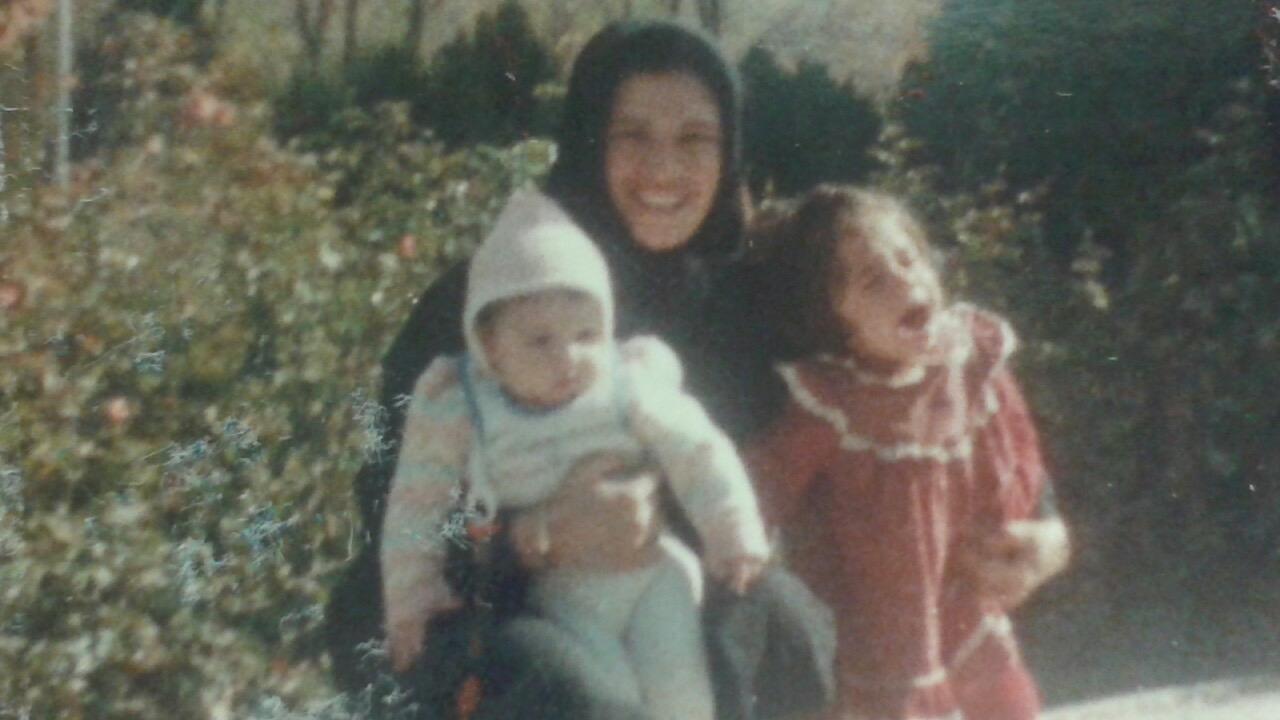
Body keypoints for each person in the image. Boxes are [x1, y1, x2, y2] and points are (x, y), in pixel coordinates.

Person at [324, 20, 836, 720]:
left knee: (784, 622)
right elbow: (391, 497)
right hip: (476, 614)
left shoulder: (736, 306)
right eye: (633, 136)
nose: (664, 169)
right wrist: (534, 535)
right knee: (570, 691)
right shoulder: (487, 301)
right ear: (589, 140)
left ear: (730, 154)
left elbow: (873, 374)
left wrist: (1037, 520)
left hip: (648, 595)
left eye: (695, 140)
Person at [380, 188, 770, 720]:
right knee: (608, 701)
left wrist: (731, 530)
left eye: (586, 334)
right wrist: (413, 595)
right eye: (539, 341)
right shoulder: (462, 406)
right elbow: (415, 503)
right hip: (562, 599)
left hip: (655, 577)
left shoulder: (628, 383)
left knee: (683, 700)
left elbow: (698, 450)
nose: (568, 358)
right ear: (489, 344)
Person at [745, 185, 1071, 720]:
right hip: (883, 632)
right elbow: (764, 484)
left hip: (968, 606)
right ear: (831, 322)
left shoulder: (971, 363)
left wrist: (1027, 528)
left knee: (1011, 702)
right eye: (875, 281)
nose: (907, 280)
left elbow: (1020, 451)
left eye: (910, 258)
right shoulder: (833, 405)